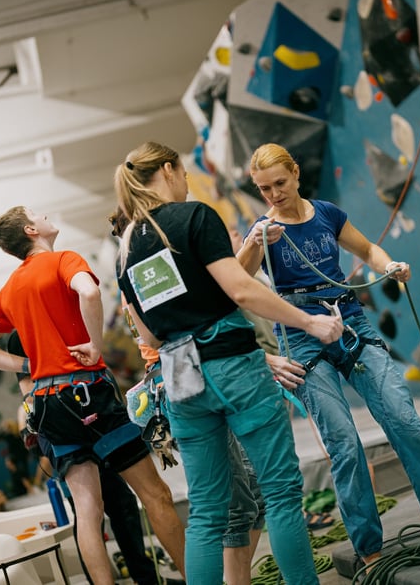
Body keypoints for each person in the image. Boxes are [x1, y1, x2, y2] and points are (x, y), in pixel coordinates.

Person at [113, 141, 343, 584]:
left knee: (206, 512)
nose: (185, 183)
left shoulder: (126, 250)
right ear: (169, 169)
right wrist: (309, 322)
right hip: (233, 367)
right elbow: (240, 289)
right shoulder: (194, 217)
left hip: (181, 380)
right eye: (183, 174)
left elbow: (150, 336)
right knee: (280, 493)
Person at [236, 143, 420, 570]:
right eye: (264, 189)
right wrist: (254, 242)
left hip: (350, 320)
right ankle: (369, 548)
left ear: (296, 173)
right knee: (344, 443)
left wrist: (389, 265)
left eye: (280, 183)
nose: (274, 194)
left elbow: (368, 249)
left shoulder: (326, 214)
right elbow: (240, 278)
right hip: (301, 335)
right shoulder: (263, 230)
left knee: (403, 417)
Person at [0, 206, 186, 585]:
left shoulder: (11, 288)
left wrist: (31, 365)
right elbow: (89, 290)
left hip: (49, 405)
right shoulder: (64, 260)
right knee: (155, 495)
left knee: (88, 512)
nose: (46, 215)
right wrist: (95, 345)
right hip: (89, 392)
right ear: (31, 230)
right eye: (38, 214)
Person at [6, 330, 183, 585]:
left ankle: (145, 576)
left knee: (119, 503)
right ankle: (123, 578)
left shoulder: (62, 321)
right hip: (60, 422)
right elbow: (25, 388)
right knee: (89, 512)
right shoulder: (20, 336)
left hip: (92, 413)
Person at [0, 419, 33, 497]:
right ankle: (28, 489)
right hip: (22, 457)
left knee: (20, 475)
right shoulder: (18, 435)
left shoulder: (9, 436)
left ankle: (28, 489)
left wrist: (3, 429)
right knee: (23, 474)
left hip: (16, 458)